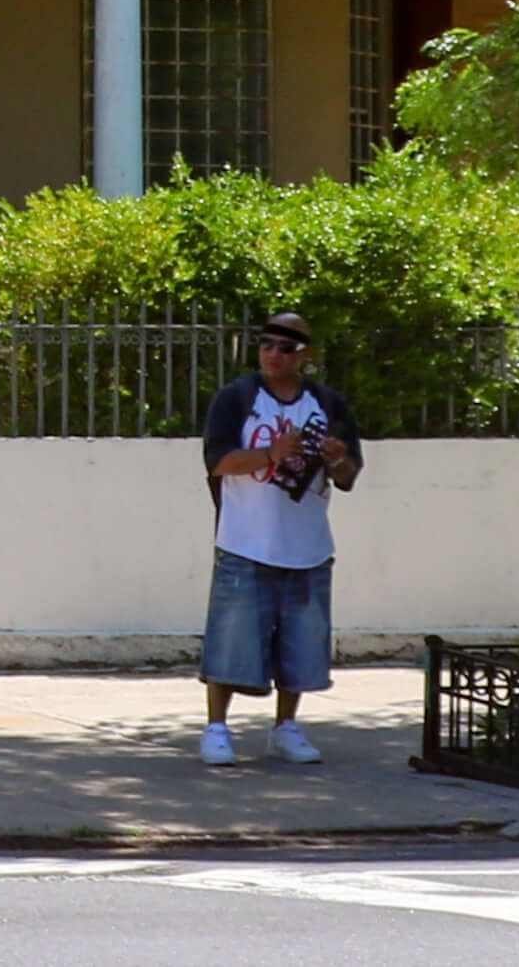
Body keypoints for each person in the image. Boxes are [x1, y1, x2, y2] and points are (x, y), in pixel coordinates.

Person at [196, 308, 361, 764]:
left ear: (304, 354)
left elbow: (349, 475)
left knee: (301, 646)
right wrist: (271, 451)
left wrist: (336, 456)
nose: (273, 354)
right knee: (230, 640)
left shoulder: (327, 405)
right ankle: (216, 728)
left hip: (307, 545)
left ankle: (286, 727)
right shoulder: (238, 398)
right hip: (244, 541)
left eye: (285, 347)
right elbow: (219, 461)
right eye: (266, 344)